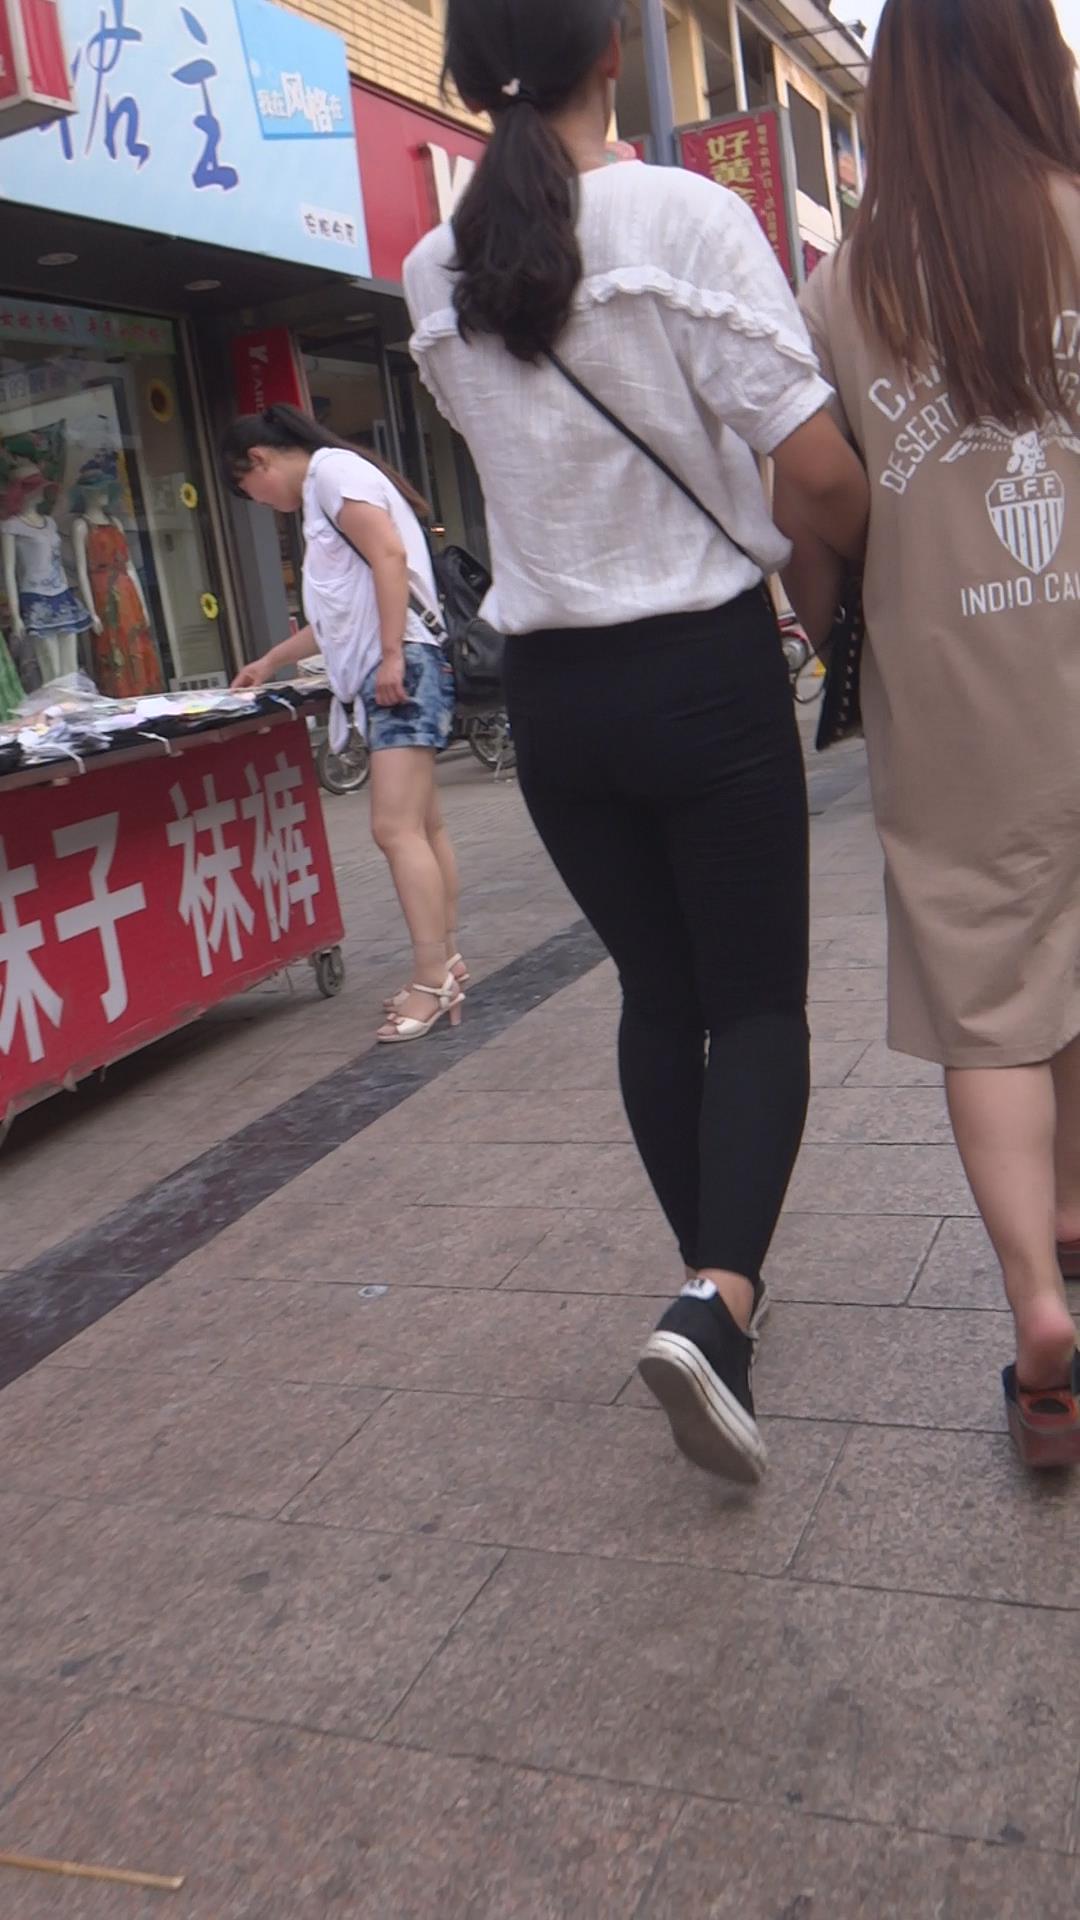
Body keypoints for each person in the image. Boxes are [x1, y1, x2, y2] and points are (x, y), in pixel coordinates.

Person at [404, 0, 868, 1483]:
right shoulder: (684, 217)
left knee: (660, 1001)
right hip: (701, 672)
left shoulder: (430, 268)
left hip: (555, 699)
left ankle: (710, 1292)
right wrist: (827, 585)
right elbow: (819, 472)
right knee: (761, 1005)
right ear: (615, 52)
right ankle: (717, 1302)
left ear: (468, 72)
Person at [779, 0, 1080, 1468]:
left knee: (987, 990)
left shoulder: (846, 283)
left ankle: (1039, 1308)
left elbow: (810, 512)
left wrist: (836, 606)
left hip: (953, 684)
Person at [223, 405, 465, 1043]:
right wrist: (271, 661)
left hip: (402, 666)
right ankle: (445, 962)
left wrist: (390, 654)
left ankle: (433, 979)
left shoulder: (331, 475)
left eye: (248, 489)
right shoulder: (332, 481)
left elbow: (388, 555)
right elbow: (343, 611)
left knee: (394, 829)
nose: (259, 501)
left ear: (259, 461)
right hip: (405, 661)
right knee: (422, 826)